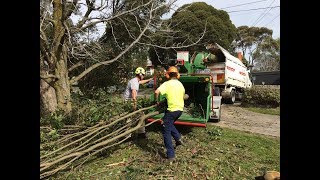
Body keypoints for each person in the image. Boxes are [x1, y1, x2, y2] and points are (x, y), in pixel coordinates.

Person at [154, 66, 185, 162]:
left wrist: (156, 101)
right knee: (168, 123)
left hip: (171, 110)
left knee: (165, 130)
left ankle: (171, 156)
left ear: (167, 75)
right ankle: (178, 139)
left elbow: (156, 92)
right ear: (177, 75)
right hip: (180, 110)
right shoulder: (180, 84)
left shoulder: (166, 84)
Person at [123, 67, 153, 139]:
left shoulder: (136, 80)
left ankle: (141, 133)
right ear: (140, 75)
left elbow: (141, 82)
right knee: (129, 118)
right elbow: (134, 94)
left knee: (141, 115)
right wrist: (135, 105)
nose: (144, 76)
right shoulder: (134, 82)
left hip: (130, 101)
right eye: (143, 74)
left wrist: (149, 80)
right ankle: (127, 136)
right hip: (129, 102)